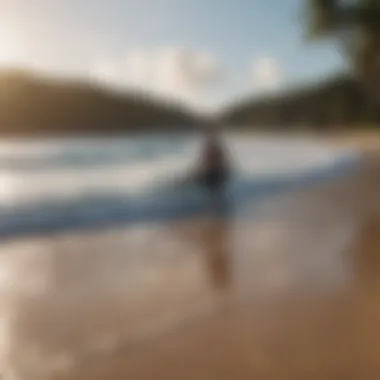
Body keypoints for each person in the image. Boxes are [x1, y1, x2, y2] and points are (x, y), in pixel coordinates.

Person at [198, 128, 230, 194]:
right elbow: (203, 162)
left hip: (215, 173)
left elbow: (224, 161)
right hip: (211, 172)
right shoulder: (209, 148)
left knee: (213, 189)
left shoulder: (216, 149)